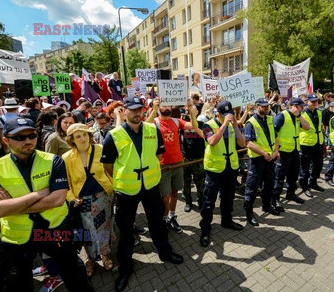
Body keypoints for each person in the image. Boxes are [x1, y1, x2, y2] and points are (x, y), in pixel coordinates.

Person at [0, 118, 94, 292]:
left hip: (55, 229)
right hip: (18, 236)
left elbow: (57, 200)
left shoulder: (53, 161)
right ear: (6, 139)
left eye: (32, 135)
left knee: (75, 276)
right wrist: (39, 194)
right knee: (18, 284)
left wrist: (10, 205)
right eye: (19, 137)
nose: (27, 141)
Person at [101, 96, 183, 292]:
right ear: (125, 111)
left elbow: (158, 155)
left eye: (140, 110)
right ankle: (125, 267)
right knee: (126, 230)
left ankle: (165, 252)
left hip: (151, 186)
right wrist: (126, 177)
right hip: (127, 190)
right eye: (133, 110)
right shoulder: (114, 135)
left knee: (157, 222)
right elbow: (107, 166)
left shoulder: (152, 130)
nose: (137, 113)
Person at [63, 124, 114, 277]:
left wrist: (114, 189)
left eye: (85, 134)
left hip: (103, 196)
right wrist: (71, 198)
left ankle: (105, 255)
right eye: (78, 136)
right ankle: (90, 258)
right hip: (82, 201)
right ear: (72, 140)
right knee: (85, 231)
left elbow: (110, 170)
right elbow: (66, 182)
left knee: (104, 227)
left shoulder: (100, 149)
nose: (83, 138)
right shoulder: (66, 158)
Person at [146, 98, 198, 232]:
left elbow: (193, 126)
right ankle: (164, 219)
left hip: (178, 162)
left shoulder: (175, 121)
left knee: (174, 192)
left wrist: (191, 109)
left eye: (169, 104)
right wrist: (154, 110)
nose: (167, 107)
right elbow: (144, 129)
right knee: (165, 195)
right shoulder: (155, 122)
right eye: (163, 105)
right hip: (163, 165)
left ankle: (172, 217)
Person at [199, 101, 246, 248]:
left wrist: (236, 126)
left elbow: (243, 143)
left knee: (228, 197)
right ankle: (205, 229)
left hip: (230, 167)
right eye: (224, 115)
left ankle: (227, 220)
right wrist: (224, 125)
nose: (228, 117)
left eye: (229, 114)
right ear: (217, 113)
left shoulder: (233, 125)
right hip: (214, 169)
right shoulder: (208, 125)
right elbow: (212, 141)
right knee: (209, 202)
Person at [243, 98, 280, 227]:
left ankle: (266, 206)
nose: (266, 108)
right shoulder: (251, 122)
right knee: (252, 186)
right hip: (257, 160)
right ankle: (249, 213)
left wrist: (275, 151)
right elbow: (249, 143)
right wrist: (264, 154)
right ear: (257, 107)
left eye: (267, 106)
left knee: (269, 183)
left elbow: (275, 137)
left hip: (270, 158)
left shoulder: (270, 119)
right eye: (263, 106)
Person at [272, 98, 310, 210]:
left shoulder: (297, 117)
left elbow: (307, 127)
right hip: (283, 152)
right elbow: (273, 133)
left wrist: (299, 116)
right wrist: (276, 150)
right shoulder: (282, 116)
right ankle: (275, 199)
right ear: (294, 106)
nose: (303, 108)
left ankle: (291, 193)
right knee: (279, 176)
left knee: (293, 175)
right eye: (301, 106)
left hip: (294, 150)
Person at [298, 93, 326, 198]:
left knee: (318, 165)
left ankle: (313, 182)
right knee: (304, 167)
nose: (315, 103)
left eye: (317, 101)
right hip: (306, 143)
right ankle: (305, 186)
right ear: (307, 102)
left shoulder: (319, 112)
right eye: (313, 101)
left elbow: (320, 128)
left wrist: (323, 143)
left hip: (318, 142)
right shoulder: (302, 114)